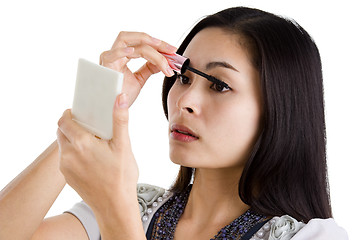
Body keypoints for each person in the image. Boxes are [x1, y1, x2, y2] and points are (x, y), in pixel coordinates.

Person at [0, 6, 348, 240]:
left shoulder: (313, 236)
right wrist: (93, 112)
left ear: (278, 110)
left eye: (219, 85)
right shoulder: (138, 206)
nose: (184, 101)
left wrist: (115, 212)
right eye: (183, 77)